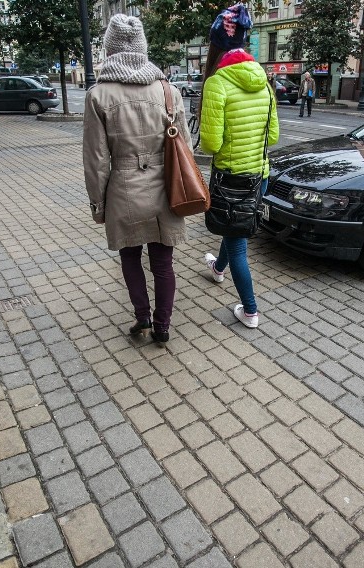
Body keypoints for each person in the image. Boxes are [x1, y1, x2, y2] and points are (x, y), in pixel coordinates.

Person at [83, 14, 191, 345]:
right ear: (143, 48)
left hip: (124, 187)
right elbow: (184, 146)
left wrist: (98, 204)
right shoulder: (168, 91)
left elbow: (96, 159)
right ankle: (163, 327)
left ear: (109, 49)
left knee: (130, 257)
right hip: (166, 187)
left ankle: (142, 320)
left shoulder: (99, 95)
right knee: (163, 262)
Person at [200, 3, 279, 329]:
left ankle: (250, 311)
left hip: (231, 180)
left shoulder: (217, 83)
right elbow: (272, 135)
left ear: (216, 46)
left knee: (239, 244)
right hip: (259, 176)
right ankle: (218, 269)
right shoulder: (264, 82)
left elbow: (210, 145)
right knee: (234, 231)